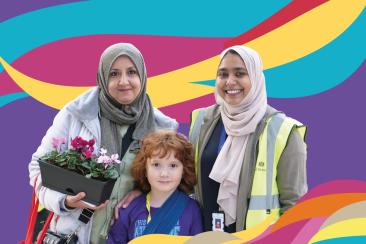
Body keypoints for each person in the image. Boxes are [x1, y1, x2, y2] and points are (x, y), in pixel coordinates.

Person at [28, 43, 178, 243]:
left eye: (131, 72)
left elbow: (173, 185)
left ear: (142, 75)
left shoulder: (161, 128)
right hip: (75, 235)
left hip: (128, 236)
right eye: (114, 74)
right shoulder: (77, 114)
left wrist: (143, 193)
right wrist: (65, 202)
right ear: (102, 76)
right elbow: (37, 168)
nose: (123, 81)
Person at [189, 45, 308, 232]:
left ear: (256, 78)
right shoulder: (201, 121)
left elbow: (294, 205)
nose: (230, 81)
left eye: (240, 73)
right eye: (223, 74)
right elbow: (185, 182)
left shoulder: (283, 131)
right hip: (204, 234)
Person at [108, 130, 203, 243]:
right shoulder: (129, 208)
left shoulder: (192, 209)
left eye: (173, 165)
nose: (164, 173)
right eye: (156, 164)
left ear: (184, 169)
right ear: (145, 168)